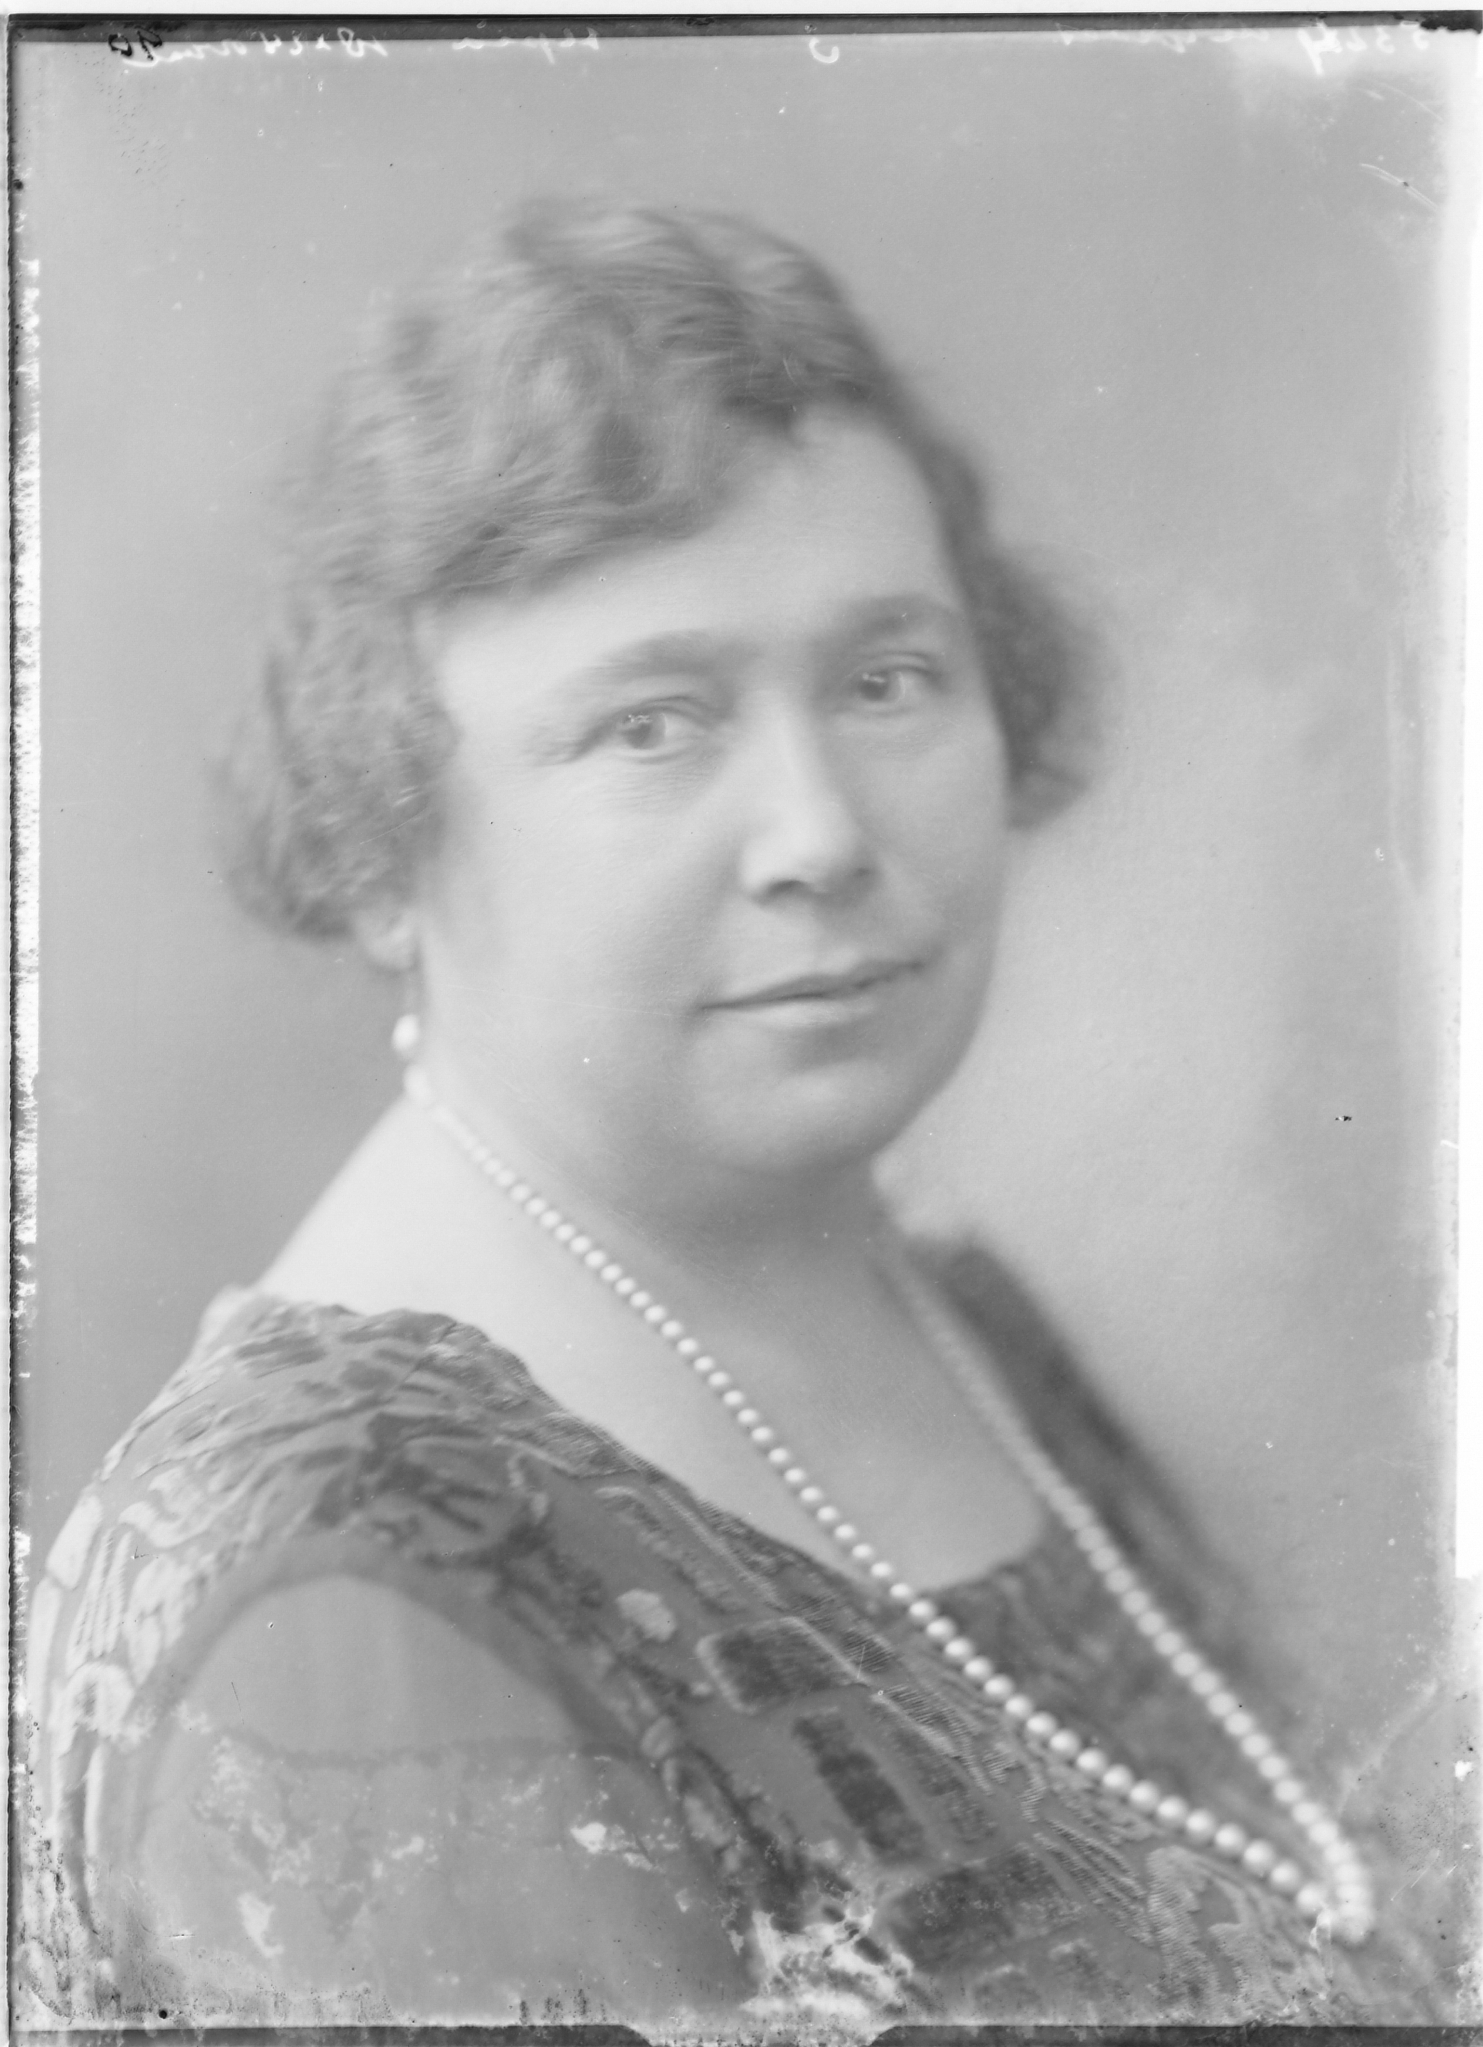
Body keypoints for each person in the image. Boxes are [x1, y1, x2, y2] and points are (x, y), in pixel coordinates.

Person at [18, 198, 1440, 2031]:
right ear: (382, 843)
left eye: (888, 680)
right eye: (654, 724)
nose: (823, 835)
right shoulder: (349, 1598)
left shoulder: (943, 1306)